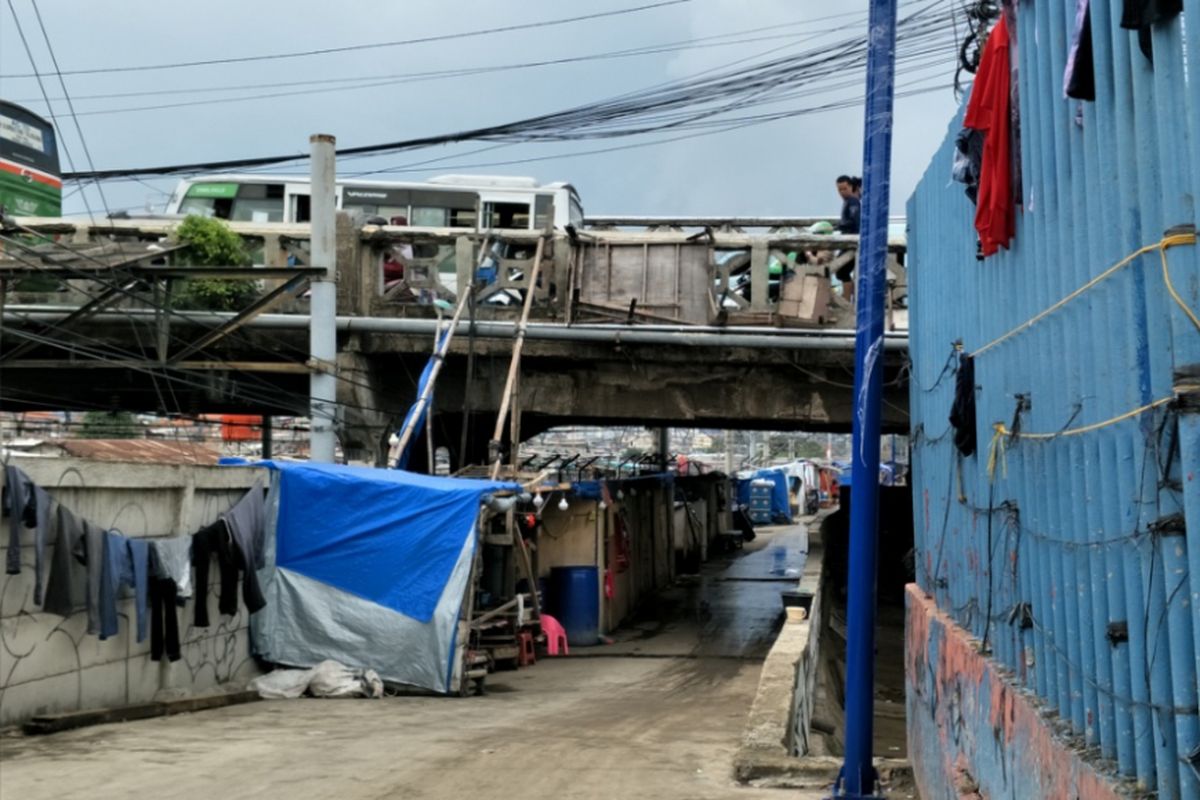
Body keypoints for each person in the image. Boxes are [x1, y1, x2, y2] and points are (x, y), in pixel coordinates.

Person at [834, 175, 862, 302]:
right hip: (848, 241)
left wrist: (840, 225)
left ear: (851, 187)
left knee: (841, 271)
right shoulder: (849, 202)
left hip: (851, 241)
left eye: (844, 189)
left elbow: (855, 221)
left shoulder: (852, 202)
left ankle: (846, 300)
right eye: (839, 190)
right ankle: (849, 298)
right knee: (841, 271)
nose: (842, 192)